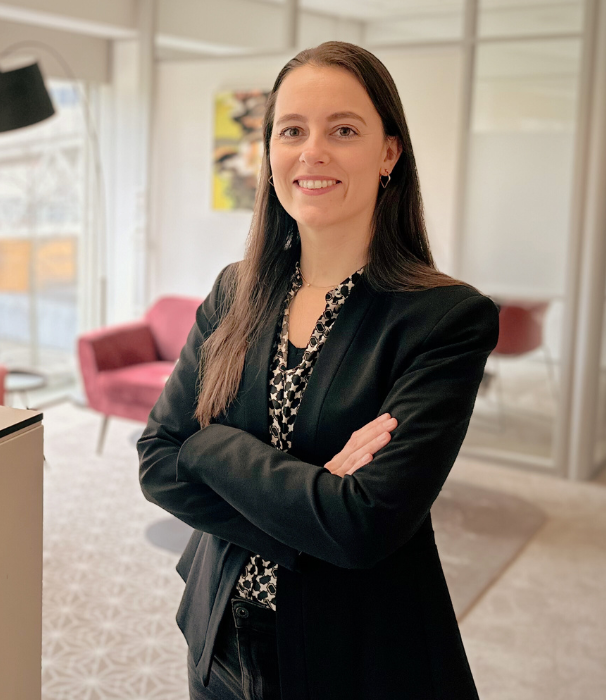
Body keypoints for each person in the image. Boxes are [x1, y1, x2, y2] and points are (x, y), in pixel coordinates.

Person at [138, 41, 498, 700]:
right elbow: (158, 461)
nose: (313, 151)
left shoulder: (444, 320)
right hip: (221, 632)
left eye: (344, 130)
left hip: (357, 655)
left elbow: (362, 526)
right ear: (270, 151)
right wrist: (314, 507)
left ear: (389, 152)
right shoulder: (235, 290)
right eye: (292, 131)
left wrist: (212, 446)